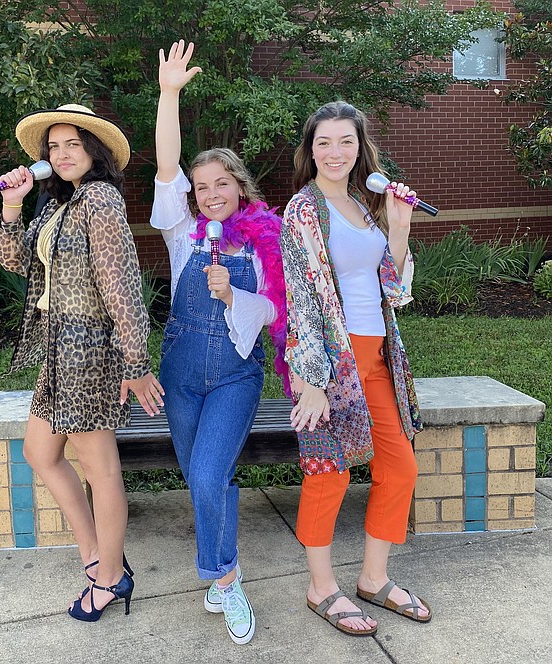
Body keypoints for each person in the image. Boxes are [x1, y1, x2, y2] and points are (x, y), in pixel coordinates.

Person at [0, 103, 164, 623]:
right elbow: (18, 260)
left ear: (94, 151)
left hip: (89, 351)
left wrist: (135, 361)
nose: (62, 154)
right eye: (54, 147)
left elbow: (122, 284)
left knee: (101, 471)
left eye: (73, 144)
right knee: (39, 453)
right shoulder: (61, 203)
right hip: (56, 350)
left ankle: (111, 577)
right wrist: (13, 206)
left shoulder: (102, 201)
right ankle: (98, 557)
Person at [150, 41, 288, 645]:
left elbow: (274, 311)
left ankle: (226, 582)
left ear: (239, 187)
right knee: (203, 479)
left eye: (220, 183)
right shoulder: (182, 234)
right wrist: (169, 94)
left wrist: (232, 296)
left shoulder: (263, 241)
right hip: (180, 372)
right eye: (200, 185)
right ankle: (220, 576)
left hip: (235, 373)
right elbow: (165, 164)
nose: (209, 193)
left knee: (208, 478)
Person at [280, 101, 431, 636]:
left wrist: (398, 226)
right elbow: (301, 301)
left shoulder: (364, 208)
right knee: (330, 474)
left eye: (346, 141)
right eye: (324, 142)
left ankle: (373, 578)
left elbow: (394, 290)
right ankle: (321, 589)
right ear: (310, 150)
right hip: (328, 364)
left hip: (378, 359)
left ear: (360, 149)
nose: (335, 152)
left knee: (401, 470)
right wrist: (310, 380)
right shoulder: (303, 209)